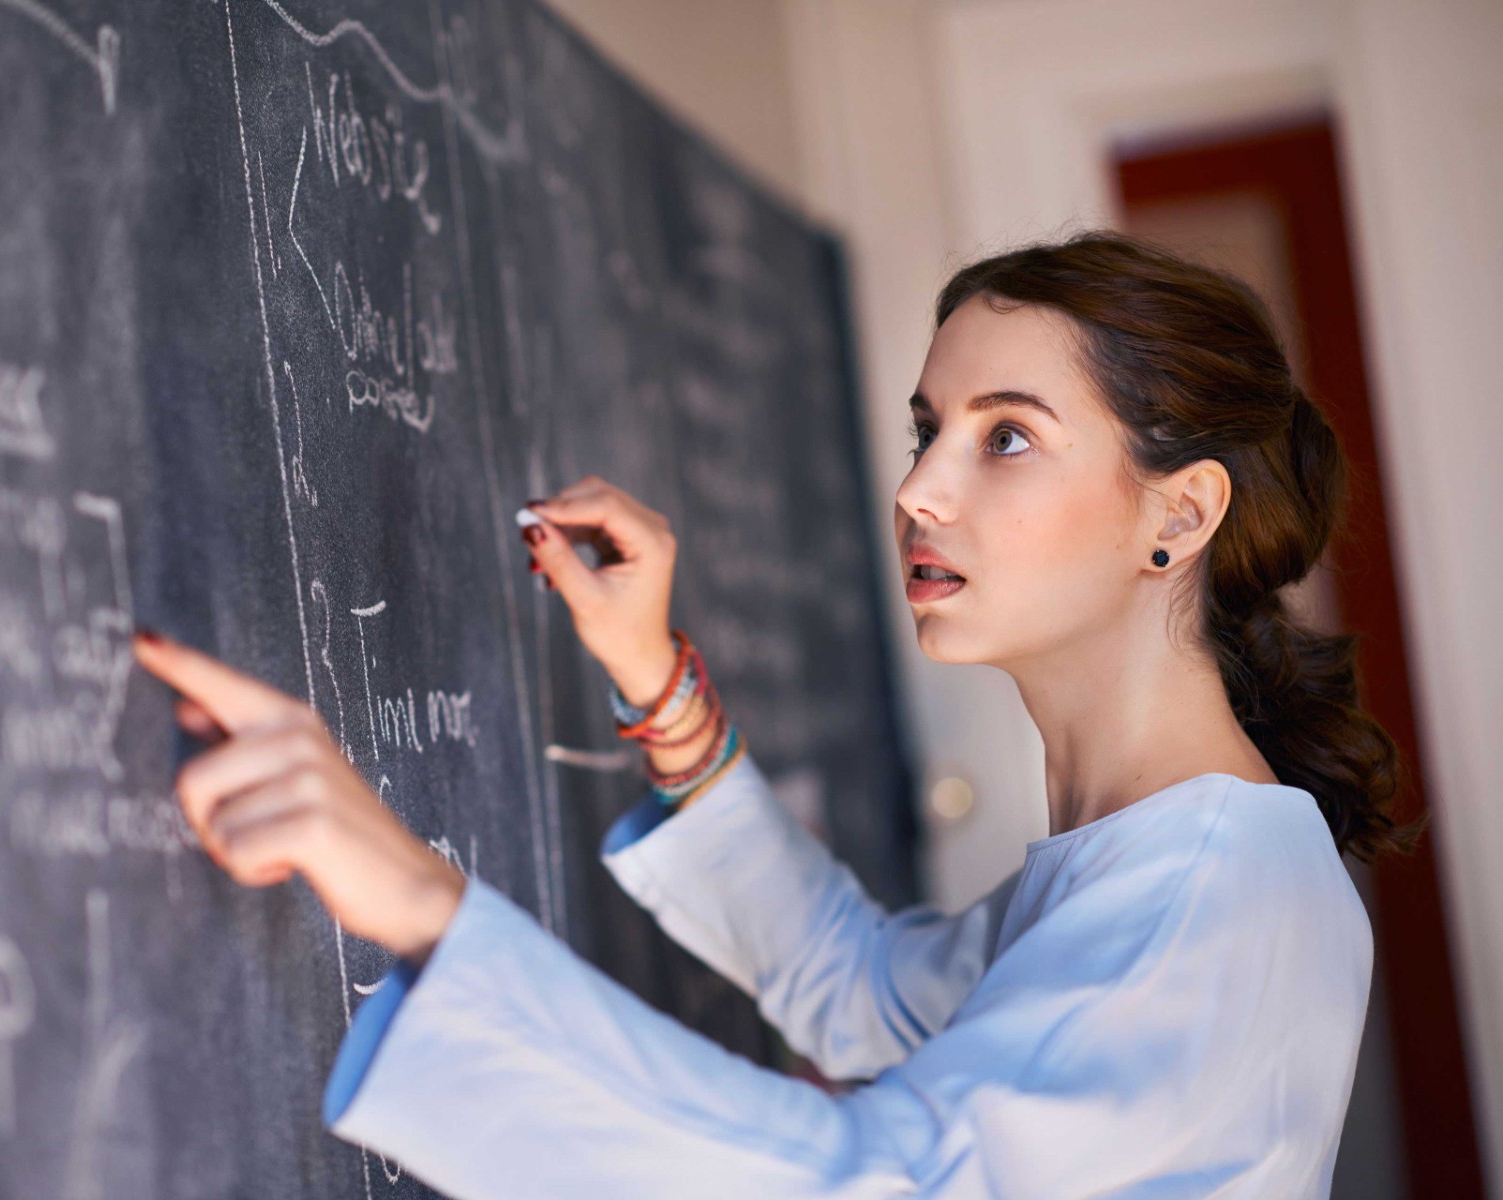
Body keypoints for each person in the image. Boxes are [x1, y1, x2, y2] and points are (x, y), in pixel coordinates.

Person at [130, 230, 1424, 1197]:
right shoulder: (1154, 861)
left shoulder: (1208, 897)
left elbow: (868, 1182)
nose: (919, 488)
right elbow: (861, 993)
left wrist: (420, 901)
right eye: (927, 430)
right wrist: (659, 686)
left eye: (1007, 437)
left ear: (1180, 515)